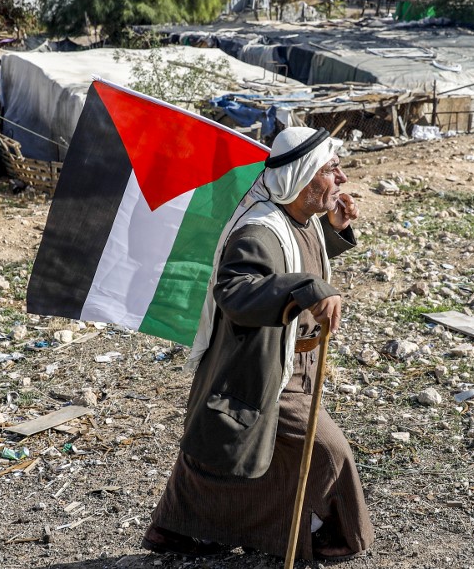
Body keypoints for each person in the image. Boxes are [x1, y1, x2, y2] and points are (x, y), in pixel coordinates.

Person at [142, 127, 374, 561]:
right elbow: (236, 289)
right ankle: (338, 536)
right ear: (304, 177)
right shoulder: (258, 231)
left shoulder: (295, 220)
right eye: (331, 169)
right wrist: (310, 287)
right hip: (262, 366)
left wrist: (334, 232)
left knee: (228, 455)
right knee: (325, 450)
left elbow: (293, 258)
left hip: (290, 362)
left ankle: (173, 528)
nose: (342, 178)